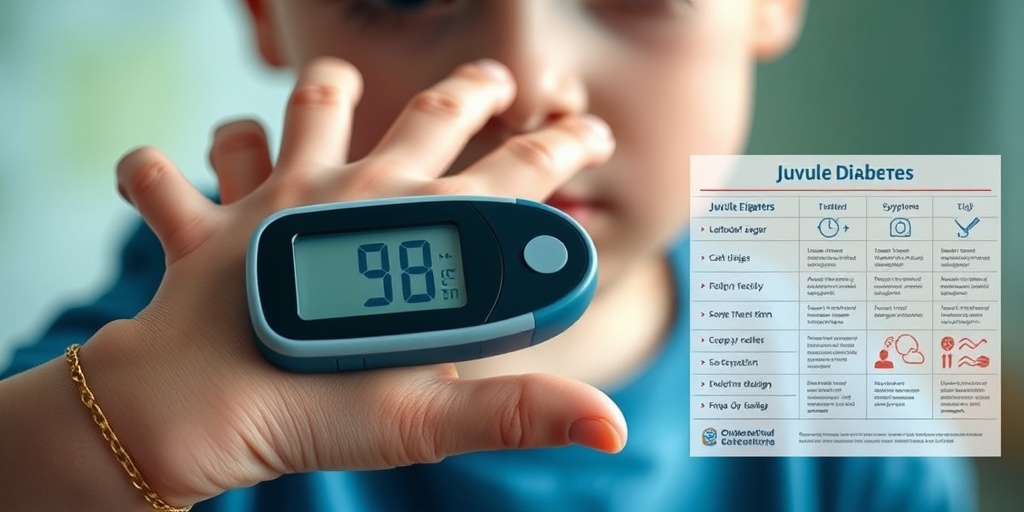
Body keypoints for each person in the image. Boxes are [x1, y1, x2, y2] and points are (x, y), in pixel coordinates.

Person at [0, 1, 976, 510]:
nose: (525, 83)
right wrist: (121, 434)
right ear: (263, 11)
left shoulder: (863, 424)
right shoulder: (192, 309)